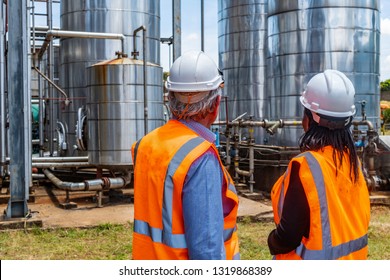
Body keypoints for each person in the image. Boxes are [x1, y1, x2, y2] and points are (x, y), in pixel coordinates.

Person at [131, 50, 240, 260]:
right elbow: (206, 250)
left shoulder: (145, 144)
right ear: (215, 105)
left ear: (170, 98)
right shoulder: (200, 157)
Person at [267, 69, 371, 260]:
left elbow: (288, 236)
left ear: (310, 117)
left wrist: (272, 241)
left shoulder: (305, 166)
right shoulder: (351, 161)